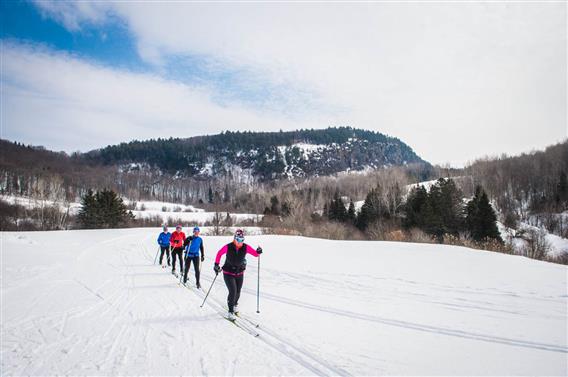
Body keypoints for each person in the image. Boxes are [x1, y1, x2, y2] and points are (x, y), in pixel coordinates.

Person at [213, 229, 262, 320]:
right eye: (239, 240)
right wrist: (216, 265)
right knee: (233, 291)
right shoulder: (228, 246)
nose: (240, 242)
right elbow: (219, 253)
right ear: (234, 239)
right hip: (228, 272)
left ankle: (235, 304)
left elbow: (255, 254)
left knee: (238, 292)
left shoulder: (245, 247)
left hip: (239, 272)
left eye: (242, 240)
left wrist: (258, 251)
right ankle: (230, 311)